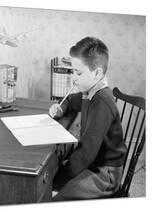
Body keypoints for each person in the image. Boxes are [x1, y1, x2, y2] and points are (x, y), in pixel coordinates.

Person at [49, 37, 127, 201]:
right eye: (72, 72)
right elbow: (70, 101)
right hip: (93, 161)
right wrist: (60, 108)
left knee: (57, 198)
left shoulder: (102, 101)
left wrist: (62, 177)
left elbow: (86, 152)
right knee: (56, 176)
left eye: (78, 73)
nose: (74, 78)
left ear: (97, 73)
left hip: (105, 173)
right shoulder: (89, 91)